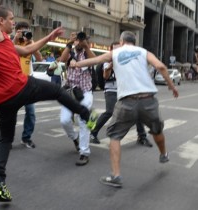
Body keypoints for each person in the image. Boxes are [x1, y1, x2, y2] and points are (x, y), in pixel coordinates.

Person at [0, 6, 91, 202]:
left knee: (6, 139)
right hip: (20, 87)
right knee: (58, 91)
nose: (13, 22)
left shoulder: (6, 42)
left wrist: (49, 37)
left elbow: (28, 49)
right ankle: (87, 116)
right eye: (11, 19)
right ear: (1, 20)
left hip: (3, 99)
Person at [74, 31, 179, 188]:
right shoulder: (143, 52)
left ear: (122, 41)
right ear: (134, 42)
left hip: (126, 101)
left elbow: (94, 61)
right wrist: (172, 87)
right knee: (157, 130)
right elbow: (161, 67)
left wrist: (76, 64)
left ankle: (116, 176)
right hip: (148, 100)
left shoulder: (115, 52)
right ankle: (163, 155)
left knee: (115, 136)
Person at [90, 41, 153, 148]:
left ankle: (142, 136)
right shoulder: (108, 60)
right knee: (110, 111)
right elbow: (105, 76)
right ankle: (93, 133)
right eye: (115, 49)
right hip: (111, 90)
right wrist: (111, 65)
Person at [59, 32, 95, 166]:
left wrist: (86, 47)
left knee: (83, 120)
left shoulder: (87, 52)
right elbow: (62, 60)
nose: (79, 42)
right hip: (70, 92)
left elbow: (95, 61)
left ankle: (84, 152)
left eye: (81, 40)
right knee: (64, 120)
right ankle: (75, 138)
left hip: (85, 92)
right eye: (78, 40)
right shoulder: (70, 53)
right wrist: (69, 44)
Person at [12, 21, 42, 148]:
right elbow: (7, 52)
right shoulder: (11, 42)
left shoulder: (30, 43)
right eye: (22, 31)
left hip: (27, 81)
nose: (25, 34)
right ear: (17, 31)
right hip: (13, 81)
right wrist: (14, 39)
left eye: (27, 31)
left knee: (31, 112)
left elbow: (40, 58)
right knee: (11, 112)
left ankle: (26, 138)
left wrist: (33, 44)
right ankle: (8, 139)